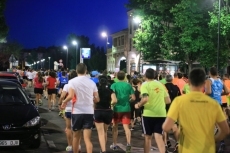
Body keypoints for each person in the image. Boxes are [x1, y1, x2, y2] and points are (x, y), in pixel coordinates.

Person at [163, 68, 230, 153]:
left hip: (187, 149)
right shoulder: (214, 104)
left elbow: (166, 127)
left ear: (189, 81)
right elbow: (225, 130)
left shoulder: (179, 101)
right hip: (207, 149)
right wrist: (213, 140)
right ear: (204, 83)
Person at [61, 63, 99, 153]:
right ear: (86, 71)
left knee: (76, 137)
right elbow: (97, 99)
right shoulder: (92, 82)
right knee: (87, 139)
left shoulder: (72, 82)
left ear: (77, 70)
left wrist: (64, 102)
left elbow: (70, 96)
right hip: (89, 112)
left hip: (77, 111)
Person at [135, 68, 171, 153]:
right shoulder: (161, 85)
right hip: (161, 114)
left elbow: (145, 99)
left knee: (147, 137)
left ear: (145, 76)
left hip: (148, 114)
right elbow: (168, 101)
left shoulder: (145, 85)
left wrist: (138, 105)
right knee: (158, 136)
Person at [110, 71, 135, 152]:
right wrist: (128, 100)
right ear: (124, 77)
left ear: (116, 77)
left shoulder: (113, 85)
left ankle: (114, 144)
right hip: (126, 108)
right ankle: (128, 144)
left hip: (116, 108)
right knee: (126, 128)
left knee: (115, 127)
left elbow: (112, 97)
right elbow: (134, 98)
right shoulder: (128, 85)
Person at [94, 75, 117, 153]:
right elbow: (114, 100)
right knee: (105, 131)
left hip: (98, 111)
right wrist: (110, 104)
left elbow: (94, 100)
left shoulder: (96, 90)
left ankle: (103, 150)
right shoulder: (110, 90)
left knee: (100, 133)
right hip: (108, 111)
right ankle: (103, 149)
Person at [58, 70, 78, 152]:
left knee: (68, 128)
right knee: (77, 129)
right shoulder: (79, 85)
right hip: (78, 110)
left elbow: (62, 96)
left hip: (68, 109)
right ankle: (77, 145)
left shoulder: (67, 85)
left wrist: (60, 103)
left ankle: (70, 145)